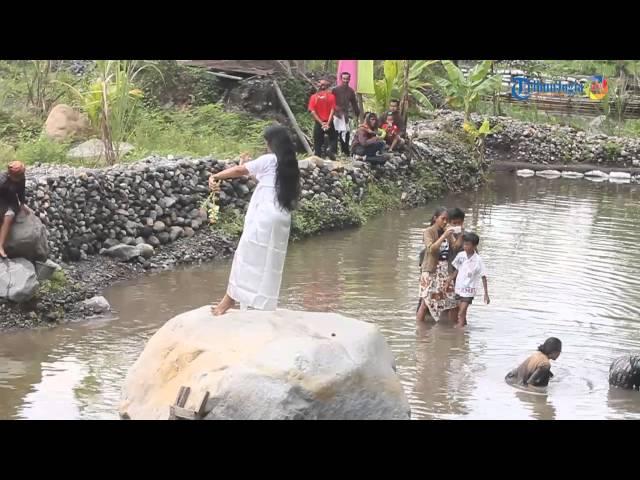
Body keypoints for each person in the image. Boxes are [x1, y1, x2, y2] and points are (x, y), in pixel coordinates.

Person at [208, 125, 300, 316]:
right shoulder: (288, 163)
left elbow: (240, 171)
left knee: (246, 256)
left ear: (271, 143)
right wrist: (244, 163)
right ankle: (261, 303)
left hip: (265, 214)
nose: (265, 145)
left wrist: (216, 176)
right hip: (281, 217)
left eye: (266, 142)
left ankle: (226, 303)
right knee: (268, 259)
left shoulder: (269, 159)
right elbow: (255, 174)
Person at [417, 207, 458, 323]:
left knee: (452, 302)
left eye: (447, 219)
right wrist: (444, 235)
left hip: (445, 271)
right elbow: (431, 249)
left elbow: (455, 247)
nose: (445, 222)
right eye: (443, 219)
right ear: (435, 218)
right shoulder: (428, 231)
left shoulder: (447, 231)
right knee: (426, 302)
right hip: (431, 271)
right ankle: (420, 330)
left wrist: (459, 234)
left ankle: (451, 331)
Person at [444, 232, 490, 328]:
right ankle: (464, 331)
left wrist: (486, 294)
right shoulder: (461, 255)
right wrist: (448, 281)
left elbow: (483, 276)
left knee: (462, 311)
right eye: (464, 244)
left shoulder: (478, 260)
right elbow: (457, 270)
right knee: (461, 312)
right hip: (459, 288)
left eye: (467, 244)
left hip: (469, 289)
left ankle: (459, 331)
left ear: (474, 246)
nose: (465, 246)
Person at [0, 161, 31, 259]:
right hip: (1, 199)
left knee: (9, 215)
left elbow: (21, 192)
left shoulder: (21, 179)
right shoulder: (2, 180)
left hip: (11, 201)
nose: (20, 178)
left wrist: (22, 204)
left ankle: (0, 245)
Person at [332, 72, 360, 156]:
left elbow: (354, 103)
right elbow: (331, 102)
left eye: (347, 79)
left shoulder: (351, 91)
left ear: (349, 79)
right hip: (336, 115)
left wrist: (357, 113)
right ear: (341, 79)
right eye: (344, 79)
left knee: (346, 133)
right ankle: (334, 152)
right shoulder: (335, 90)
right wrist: (336, 110)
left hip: (345, 115)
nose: (345, 80)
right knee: (335, 134)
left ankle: (345, 152)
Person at [308, 79, 337, 160]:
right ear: (327, 87)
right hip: (329, 122)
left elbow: (312, 112)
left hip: (318, 123)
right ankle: (330, 151)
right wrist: (328, 123)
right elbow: (332, 110)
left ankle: (318, 157)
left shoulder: (313, 97)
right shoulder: (331, 96)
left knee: (317, 142)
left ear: (318, 86)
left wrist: (321, 123)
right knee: (333, 138)